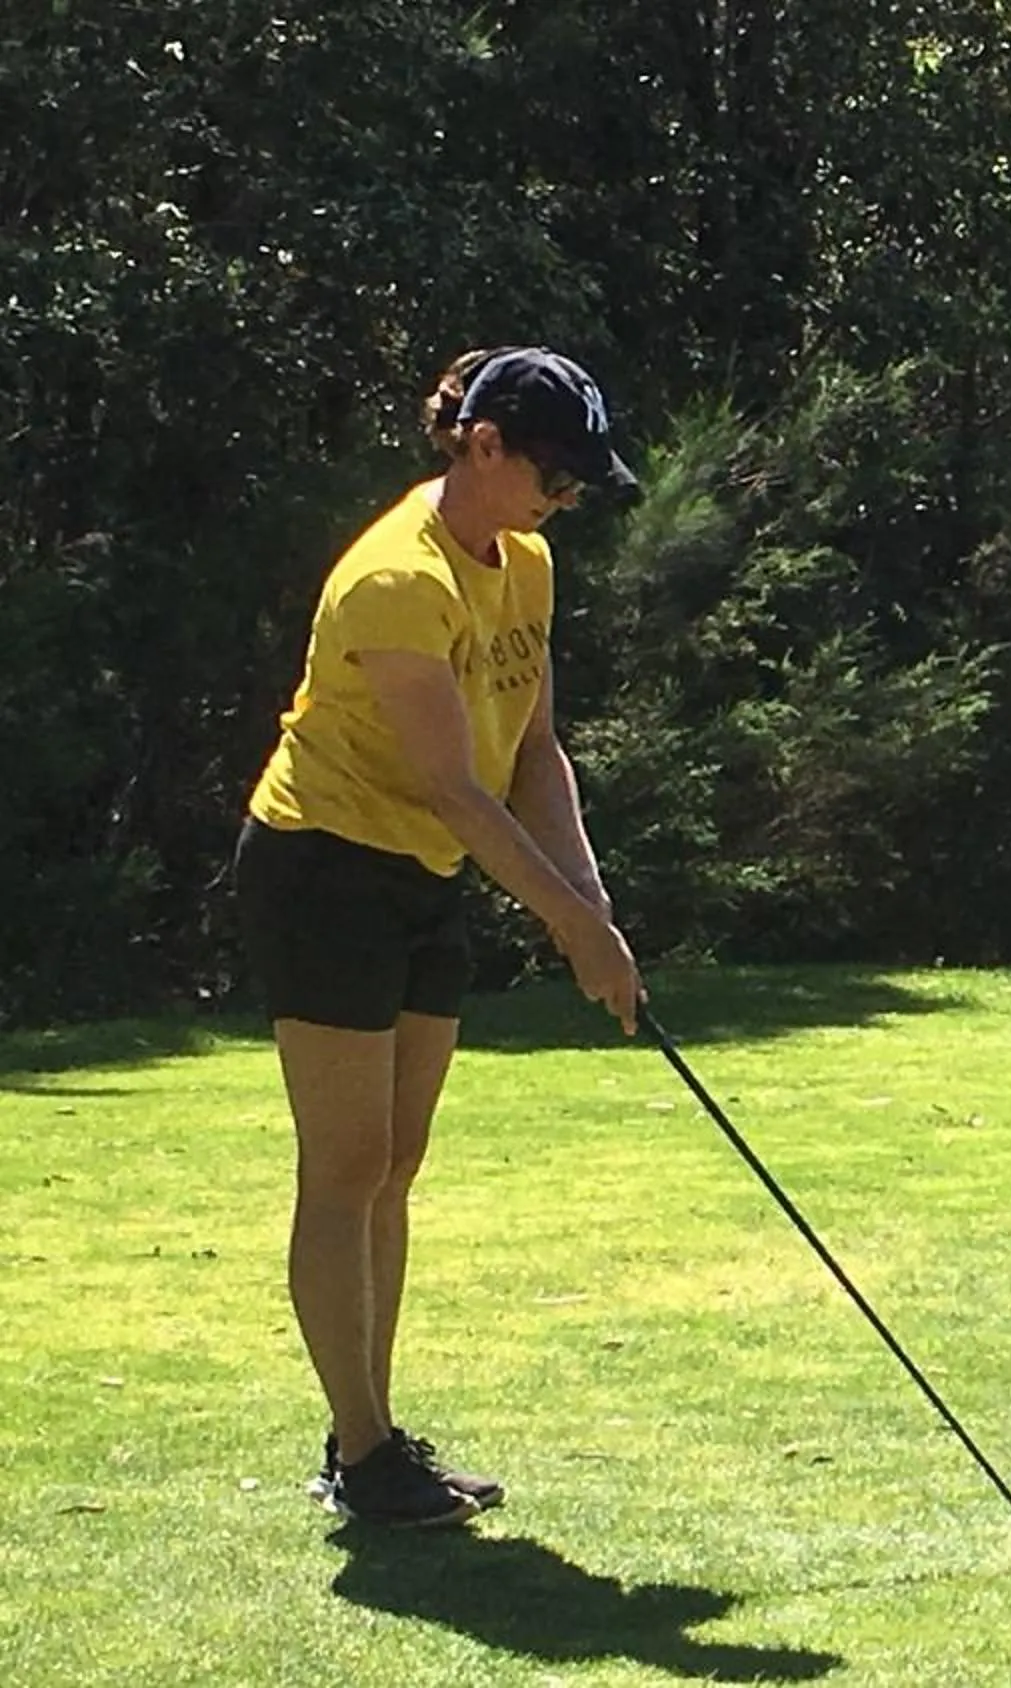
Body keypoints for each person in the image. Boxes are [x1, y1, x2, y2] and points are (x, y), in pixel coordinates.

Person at [233, 346, 646, 1527]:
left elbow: (533, 754)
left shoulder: (526, 562)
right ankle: (364, 1456)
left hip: (419, 875)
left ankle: (368, 1432)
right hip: (322, 865)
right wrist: (569, 927)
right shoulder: (394, 579)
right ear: (482, 445)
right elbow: (457, 787)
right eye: (551, 475)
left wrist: (596, 902)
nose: (561, 499)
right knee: (347, 1167)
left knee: (397, 1166)